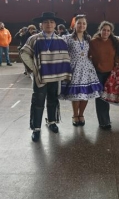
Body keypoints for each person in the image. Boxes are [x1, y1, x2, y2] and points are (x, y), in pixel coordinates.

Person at [20, 12, 72, 142]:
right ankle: (36, 128)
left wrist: (65, 73)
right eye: (46, 22)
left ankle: (52, 122)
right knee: (38, 102)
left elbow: (66, 58)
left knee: (53, 100)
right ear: (41, 25)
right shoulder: (34, 39)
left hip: (55, 77)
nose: (49, 24)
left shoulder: (61, 40)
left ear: (55, 24)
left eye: (51, 22)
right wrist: (34, 69)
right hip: (40, 78)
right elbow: (24, 53)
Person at [61, 14, 102, 126]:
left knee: (86, 93)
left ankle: (81, 114)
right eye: (79, 23)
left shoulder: (89, 39)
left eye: (84, 23)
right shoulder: (67, 38)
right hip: (74, 68)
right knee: (76, 93)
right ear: (74, 25)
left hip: (87, 69)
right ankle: (75, 115)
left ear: (86, 25)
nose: (81, 25)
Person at [89, 21, 119, 129]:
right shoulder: (93, 42)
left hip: (110, 73)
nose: (106, 32)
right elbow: (87, 55)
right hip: (98, 73)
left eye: (108, 30)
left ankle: (106, 119)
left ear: (111, 32)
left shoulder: (114, 42)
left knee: (107, 97)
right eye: (104, 30)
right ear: (100, 30)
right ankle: (103, 121)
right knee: (101, 97)